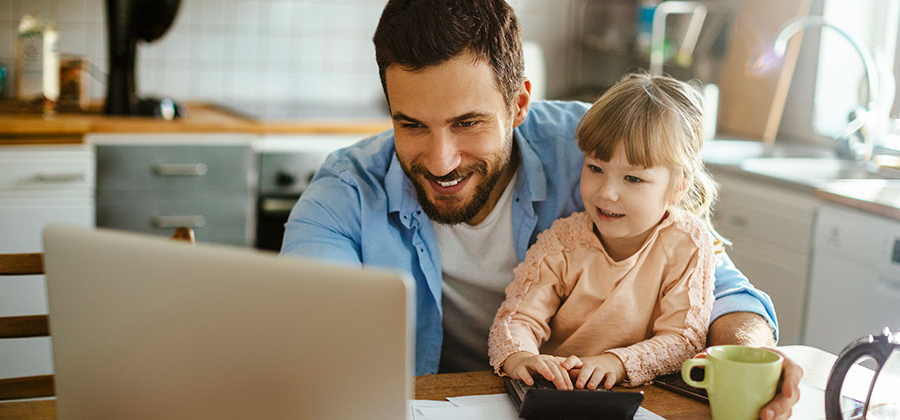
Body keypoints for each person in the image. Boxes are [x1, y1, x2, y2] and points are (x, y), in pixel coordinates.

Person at [280, 1, 802, 419]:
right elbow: (305, 324)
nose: (441, 161)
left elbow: (722, 288)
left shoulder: (599, 154)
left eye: (467, 123)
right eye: (411, 124)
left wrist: (751, 353)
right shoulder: (348, 188)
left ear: (520, 103)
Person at [489, 73, 718, 391]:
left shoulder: (687, 244)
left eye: (633, 179)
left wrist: (617, 363)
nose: (607, 193)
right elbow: (517, 319)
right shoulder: (562, 242)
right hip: (558, 395)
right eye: (595, 169)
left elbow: (684, 339)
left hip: (641, 398)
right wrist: (522, 357)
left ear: (678, 186)